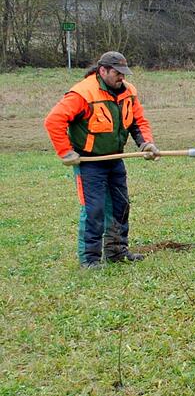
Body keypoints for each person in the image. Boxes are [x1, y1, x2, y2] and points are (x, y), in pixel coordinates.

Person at [44, 51, 160, 269]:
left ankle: (116, 251)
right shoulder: (82, 93)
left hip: (115, 159)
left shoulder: (129, 92)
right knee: (94, 209)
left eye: (124, 73)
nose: (121, 78)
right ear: (103, 70)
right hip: (89, 163)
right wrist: (66, 152)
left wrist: (146, 143)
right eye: (117, 73)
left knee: (121, 205)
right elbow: (54, 120)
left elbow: (137, 121)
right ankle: (90, 259)